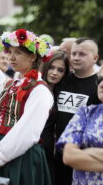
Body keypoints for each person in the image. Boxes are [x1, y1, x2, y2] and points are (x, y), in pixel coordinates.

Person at [0, 29, 54, 185]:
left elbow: (27, 133)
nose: (11, 57)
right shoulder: (12, 85)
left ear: (32, 56)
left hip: (20, 159)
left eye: (18, 52)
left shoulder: (40, 91)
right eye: (10, 51)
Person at [55, 37, 101, 185]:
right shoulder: (61, 79)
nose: (75, 57)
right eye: (73, 53)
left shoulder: (99, 87)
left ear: (95, 58)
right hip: (56, 156)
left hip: (83, 161)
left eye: (82, 54)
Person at [56, 76, 103, 184]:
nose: (101, 85)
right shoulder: (86, 112)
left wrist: (87, 152)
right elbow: (69, 156)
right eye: (100, 80)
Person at [40, 51, 70, 184]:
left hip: (49, 151)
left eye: (60, 70)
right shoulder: (36, 88)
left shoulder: (60, 93)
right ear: (45, 67)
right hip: (32, 149)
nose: (54, 73)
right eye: (51, 67)